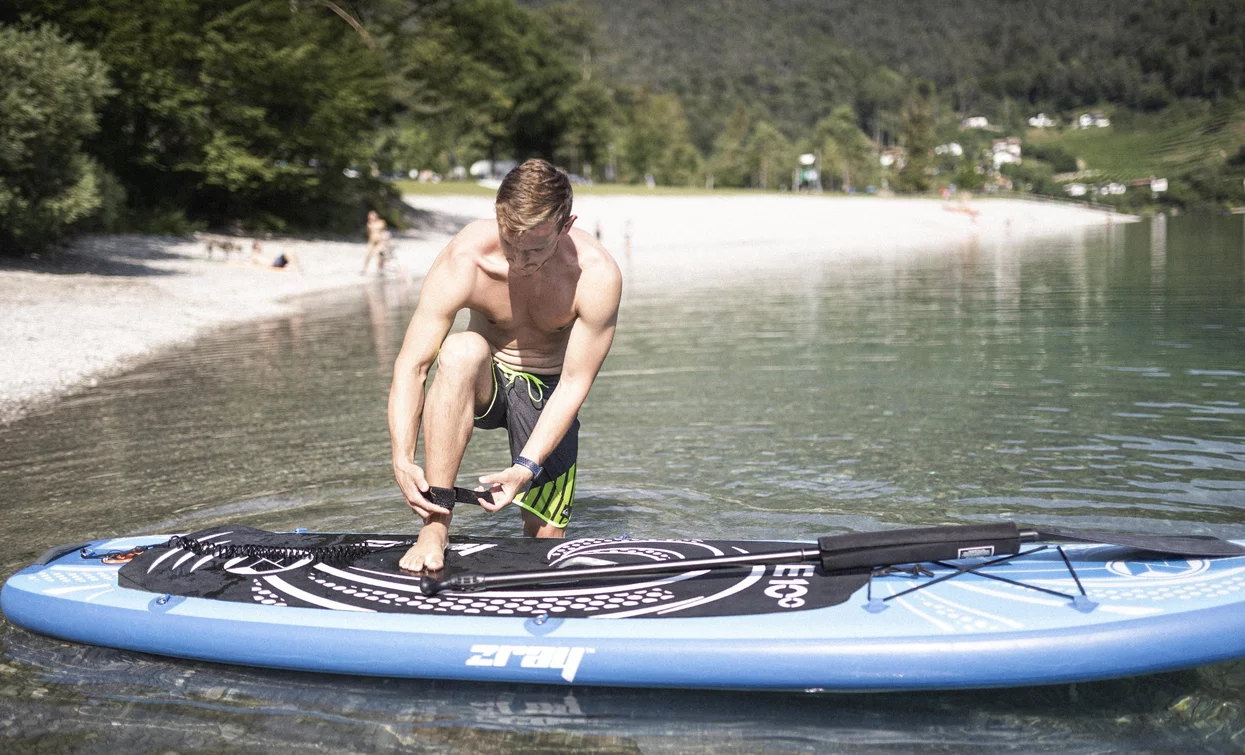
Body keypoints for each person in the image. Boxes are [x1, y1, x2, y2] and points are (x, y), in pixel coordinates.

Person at [388, 159, 622, 572]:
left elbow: (572, 384)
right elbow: (412, 365)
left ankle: (535, 522)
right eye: (510, 241)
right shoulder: (468, 258)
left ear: (567, 226)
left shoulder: (595, 275)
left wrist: (524, 468)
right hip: (485, 378)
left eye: (535, 247)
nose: (519, 258)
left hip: (547, 390)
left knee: (542, 549)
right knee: (460, 350)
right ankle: (435, 528)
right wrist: (402, 458)